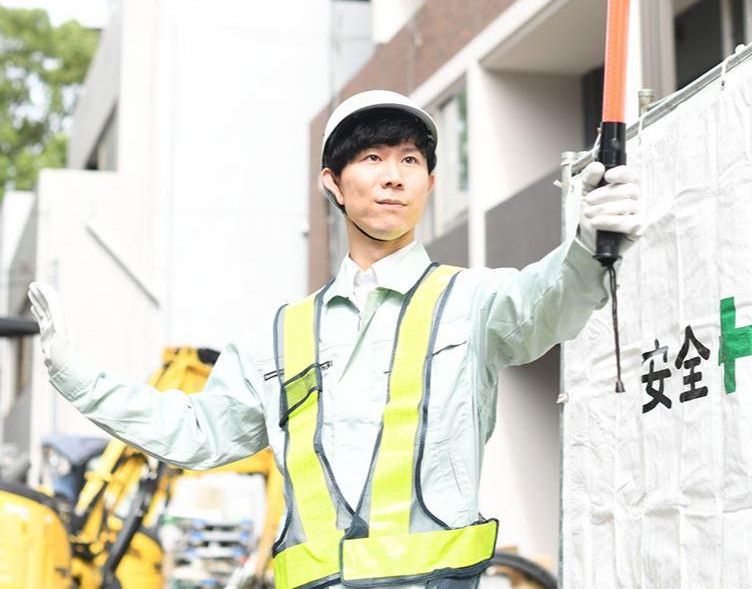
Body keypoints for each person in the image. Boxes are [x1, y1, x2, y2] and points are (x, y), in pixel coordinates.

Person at [28, 90, 642, 589]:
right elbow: (192, 432)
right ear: (333, 182)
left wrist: (589, 243)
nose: (393, 177)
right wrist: (73, 371)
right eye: (372, 159)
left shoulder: (472, 302)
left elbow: (548, 302)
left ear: (430, 183)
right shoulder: (279, 337)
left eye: (410, 161)